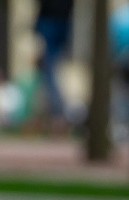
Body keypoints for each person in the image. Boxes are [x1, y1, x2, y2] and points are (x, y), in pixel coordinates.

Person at [32, 0, 73, 130]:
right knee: (51, 70)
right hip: (62, 24)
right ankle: (53, 115)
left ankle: (56, 115)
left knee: (49, 72)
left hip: (50, 24)